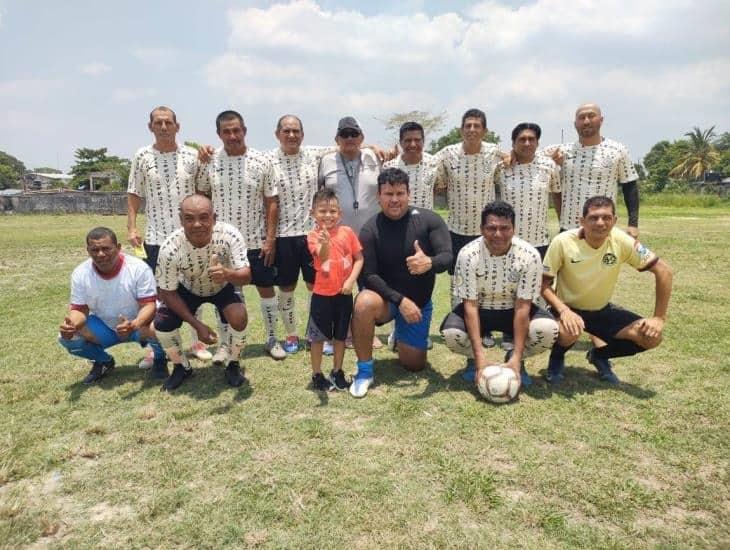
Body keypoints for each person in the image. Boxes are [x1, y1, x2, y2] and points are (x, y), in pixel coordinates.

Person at [541, 196, 673, 384]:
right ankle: (556, 358)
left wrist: (659, 318)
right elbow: (542, 284)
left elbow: (664, 271)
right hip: (567, 309)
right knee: (570, 330)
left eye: (606, 217)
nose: (600, 223)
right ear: (582, 221)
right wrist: (564, 311)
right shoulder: (563, 241)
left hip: (601, 310)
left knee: (652, 337)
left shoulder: (621, 240)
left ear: (614, 220)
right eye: (594, 218)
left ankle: (599, 355)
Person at [351, 168, 452, 398]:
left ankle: (400, 335)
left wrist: (430, 262)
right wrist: (400, 300)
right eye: (388, 194)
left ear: (409, 193)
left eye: (400, 193)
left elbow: (447, 256)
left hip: (418, 303)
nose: (394, 199)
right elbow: (367, 275)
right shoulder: (370, 229)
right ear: (379, 196)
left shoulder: (429, 220)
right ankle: (364, 371)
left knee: (414, 365)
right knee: (364, 302)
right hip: (387, 300)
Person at [439, 202, 559, 389]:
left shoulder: (529, 255)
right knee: (451, 334)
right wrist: (479, 357)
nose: (498, 234)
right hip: (480, 309)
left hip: (513, 309)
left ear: (514, 229)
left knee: (547, 329)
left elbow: (523, 306)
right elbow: (470, 306)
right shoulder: (467, 254)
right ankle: (473, 360)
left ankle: (515, 359)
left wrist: (518, 357)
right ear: (481, 229)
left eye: (505, 228)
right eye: (491, 228)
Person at [196, 110, 285, 361]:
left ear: (244, 130)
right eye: (227, 131)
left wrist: (270, 239)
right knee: (226, 293)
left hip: (257, 240)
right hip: (222, 243)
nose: (232, 135)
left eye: (237, 130)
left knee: (266, 289)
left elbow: (271, 202)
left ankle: (271, 338)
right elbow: (202, 200)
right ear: (219, 134)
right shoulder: (210, 162)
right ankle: (225, 344)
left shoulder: (262, 160)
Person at [127, 106, 211, 365]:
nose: (164, 127)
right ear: (150, 126)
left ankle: (197, 341)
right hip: (155, 237)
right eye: (158, 123)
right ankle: (158, 348)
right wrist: (131, 227)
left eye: (168, 123)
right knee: (159, 294)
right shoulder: (142, 156)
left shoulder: (191, 156)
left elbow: (204, 191)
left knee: (192, 289)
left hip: (188, 236)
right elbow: (134, 193)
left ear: (177, 126)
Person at [154, 194, 251, 391]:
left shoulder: (230, 235)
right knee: (162, 324)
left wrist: (227, 274)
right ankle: (181, 366)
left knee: (239, 317)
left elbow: (246, 276)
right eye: (189, 218)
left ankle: (233, 364)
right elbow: (168, 292)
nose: (197, 224)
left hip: (223, 285)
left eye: (204, 217)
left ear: (214, 218)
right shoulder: (169, 248)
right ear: (181, 220)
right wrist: (197, 325)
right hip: (188, 288)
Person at [58, 227, 167, 384]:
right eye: (94, 250)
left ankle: (159, 358)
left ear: (119, 248)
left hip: (138, 324)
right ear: (87, 250)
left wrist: (135, 324)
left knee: (159, 325)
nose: (100, 254)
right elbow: (80, 310)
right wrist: (71, 326)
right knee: (68, 338)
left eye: (106, 248)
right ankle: (103, 362)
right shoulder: (80, 273)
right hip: (105, 326)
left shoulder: (138, 268)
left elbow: (149, 305)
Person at [434, 108, 505, 347]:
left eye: (477, 126)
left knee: (486, 280)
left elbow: (508, 166)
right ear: (461, 129)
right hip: (456, 230)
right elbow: (439, 181)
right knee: (457, 280)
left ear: (484, 130)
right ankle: (459, 325)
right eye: (468, 125)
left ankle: (484, 328)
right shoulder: (447, 154)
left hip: (487, 232)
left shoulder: (495, 153)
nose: (472, 130)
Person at [269, 115, 335, 354]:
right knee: (285, 288)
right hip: (283, 237)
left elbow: (344, 145)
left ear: (302, 134)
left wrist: (374, 147)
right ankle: (291, 335)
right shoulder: (268, 160)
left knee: (316, 287)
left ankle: (317, 334)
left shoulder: (313, 154)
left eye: (296, 131)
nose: (291, 135)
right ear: (277, 134)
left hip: (312, 235)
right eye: (286, 131)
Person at [318, 116, 386, 350]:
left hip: (371, 233)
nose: (349, 139)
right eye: (344, 135)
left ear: (362, 137)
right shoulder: (325, 161)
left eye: (353, 134)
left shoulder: (375, 157)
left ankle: (368, 331)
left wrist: (371, 147)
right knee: (341, 285)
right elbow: (322, 197)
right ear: (336, 139)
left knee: (369, 284)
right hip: (339, 236)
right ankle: (342, 332)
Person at [546, 103, 640, 237]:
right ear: (575, 124)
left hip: (603, 228)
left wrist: (633, 224)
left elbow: (630, 187)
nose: (586, 121)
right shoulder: (561, 151)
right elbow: (528, 154)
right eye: (582, 117)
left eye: (591, 116)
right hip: (570, 230)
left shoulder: (618, 150)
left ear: (601, 120)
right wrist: (512, 155)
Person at [305, 189, 363, 391]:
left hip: (344, 295)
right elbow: (321, 256)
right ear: (313, 213)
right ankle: (317, 373)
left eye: (332, 211)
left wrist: (351, 282)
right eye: (322, 211)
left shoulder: (348, 233)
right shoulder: (313, 236)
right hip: (322, 296)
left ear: (340, 213)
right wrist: (324, 243)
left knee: (340, 336)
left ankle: (337, 371)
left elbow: (359, 259)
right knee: (318, 337)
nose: (328, 215)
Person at [496, 122, 560, 259]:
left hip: (539, 241)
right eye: (522, 139)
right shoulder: (501, 168)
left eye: (531, 139)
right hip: (508, 241)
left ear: (537, 143)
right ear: (513, 144)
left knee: (538, 280)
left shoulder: (548, 166)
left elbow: (557, 194)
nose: (527, 143)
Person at [384, 121, 440, 210]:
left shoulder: (434, 163)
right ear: (400, 142)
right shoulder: (389, 167)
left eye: (417, 140)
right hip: (399, 221)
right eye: (408, 140)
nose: (413, 144)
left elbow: (437, 187)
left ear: (423, 141)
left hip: (426, 221)